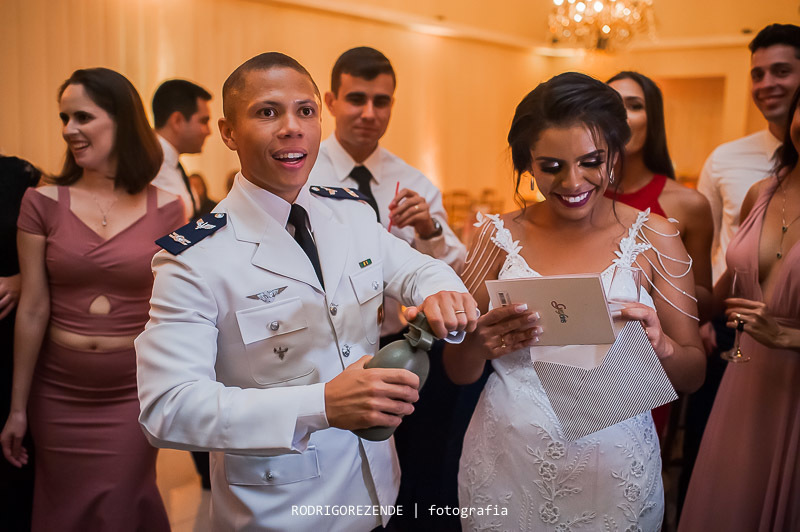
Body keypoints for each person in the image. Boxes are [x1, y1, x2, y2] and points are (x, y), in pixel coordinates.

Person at [135, 52, 478, 531]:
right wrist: (321, 404)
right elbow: (167, 407)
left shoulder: (352, 215)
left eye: (306, 111)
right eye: (267, 112)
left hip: (375, 489)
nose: (292, 127)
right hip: (280, 508)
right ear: (228, 132)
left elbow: (421, 269)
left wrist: (442, 291)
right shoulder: (194, 258)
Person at [444, 72, 705, 531]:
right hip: (507, 464)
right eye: (551, 166)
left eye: (591, 162)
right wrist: (479, 344)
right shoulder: (497, 237)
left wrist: (662, 348)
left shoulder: (655, 238)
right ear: (527, 161)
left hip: (615, 473)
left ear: (615, 154)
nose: (573, 182)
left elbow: (694, 374)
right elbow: (458, 370)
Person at [0, 68, 183, 531]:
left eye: (82, 116)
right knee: (64, 513)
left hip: (131, 393)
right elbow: (34, 309)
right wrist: (17, 408)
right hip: (57, 393)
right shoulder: (41, 202)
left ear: (120, 119)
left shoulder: (168, 208)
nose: (68, 130)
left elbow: (176, 309)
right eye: (64, 118)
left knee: (118, 507)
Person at [309, 46, 468, 530]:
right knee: (330, 475)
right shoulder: (302, 172)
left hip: (405, 349)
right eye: (357, 98)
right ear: (332, 100)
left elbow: (454, 269)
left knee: (413, 474)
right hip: (324, 352)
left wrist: (430, 231)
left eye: (382, 101)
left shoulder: (412, 180)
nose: (369, 113)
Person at [679, 22, 800, 513]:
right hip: (744, 380)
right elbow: (717, 295)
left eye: (781, 72)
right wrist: (645, 277)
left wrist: (790, 337)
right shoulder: (762, 191)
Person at [605, 71, 713, 440]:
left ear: (653, 119)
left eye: (633, 106)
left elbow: (706, 295)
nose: (621, 115)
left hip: (647, 361)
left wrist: (657, 288)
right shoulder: (574, 198)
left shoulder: (688, 204)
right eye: (611, 105)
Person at [0, 155, 41, 531]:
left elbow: (52, 251)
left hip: (11, 342)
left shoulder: (16, 174)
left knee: (16, 465)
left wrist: (20, 279)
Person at [152, 78, 213, 219]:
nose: (209, 131)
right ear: (177, 121)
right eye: (203, 121)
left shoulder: (172, 163)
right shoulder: (149, 166)